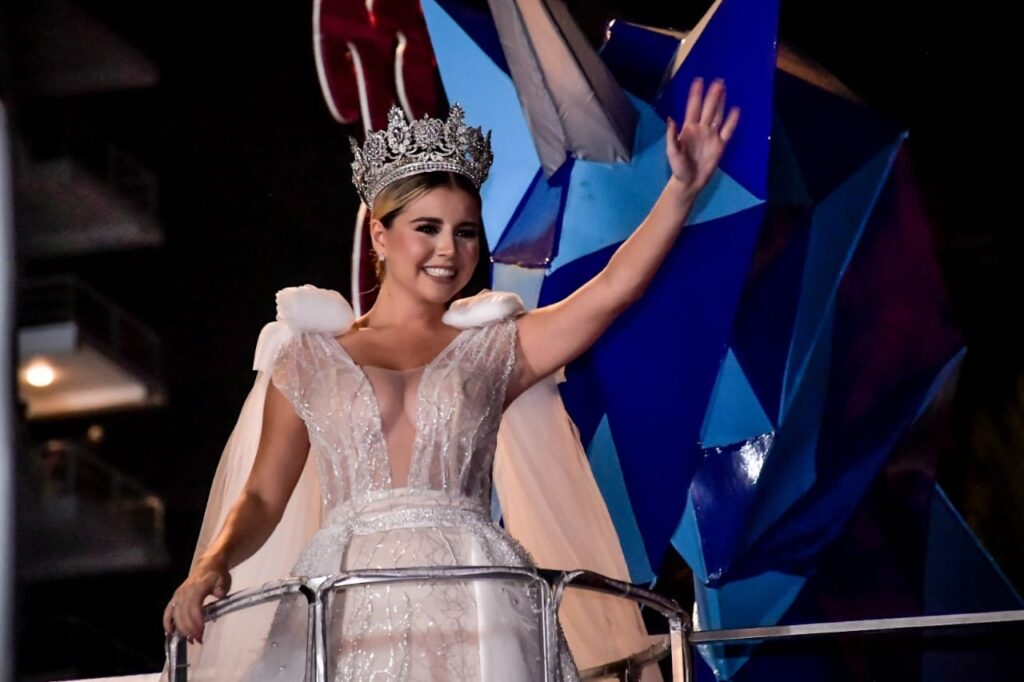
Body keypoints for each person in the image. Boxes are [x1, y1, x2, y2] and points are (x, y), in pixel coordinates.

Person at [162, 77, 739, 680]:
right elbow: (260, 495)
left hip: (478, 596)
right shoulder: (307, 357)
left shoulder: (495, 347)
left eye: (465, 231)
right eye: (427, 228)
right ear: (380, 235)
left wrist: (680, 191)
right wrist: (213, 564)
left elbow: (611, 294)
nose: (449, 250)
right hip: (345, 600)